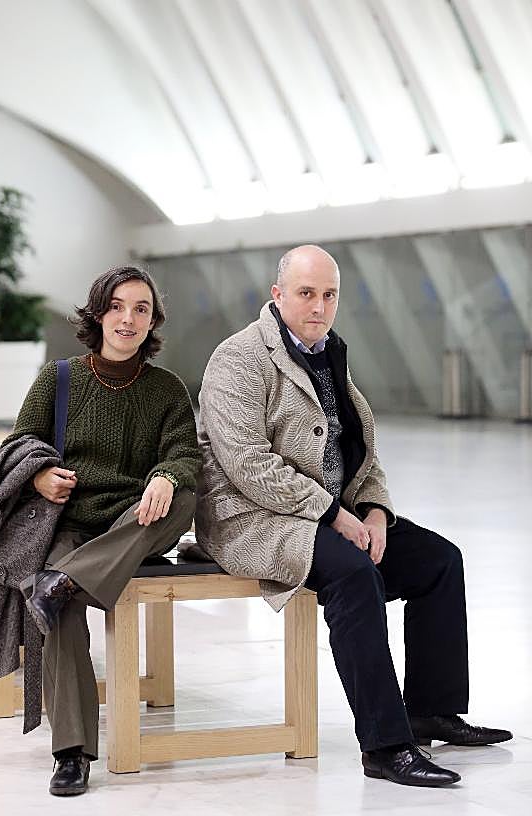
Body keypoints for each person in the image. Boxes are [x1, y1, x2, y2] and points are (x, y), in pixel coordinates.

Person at [195, 244, 511, 788]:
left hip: (329, 511)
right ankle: (386, 745)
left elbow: (361, 445)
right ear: (277, 295)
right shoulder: (237, 360)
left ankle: (430, 711)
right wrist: (334, 515)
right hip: (253, 518)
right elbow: (248, 465)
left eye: (328, 295)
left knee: (438, 562)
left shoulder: (329, 352)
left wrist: (375, 511)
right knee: (354, 576)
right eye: (306, 293)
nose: (318, 307)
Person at [3, 266, 201, 796]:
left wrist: (166, 474)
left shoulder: (166, 389)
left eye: (140, 308)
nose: (127, 318)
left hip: (133, 521)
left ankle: (67, 579)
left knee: (184, 495)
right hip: (70, 522)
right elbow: (19, 442)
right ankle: (71, 752)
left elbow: (186, 453)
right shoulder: (59, 378)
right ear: (97, 314)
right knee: (60, 607)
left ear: (152, 320)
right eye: (116, 306)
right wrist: (40, 474)